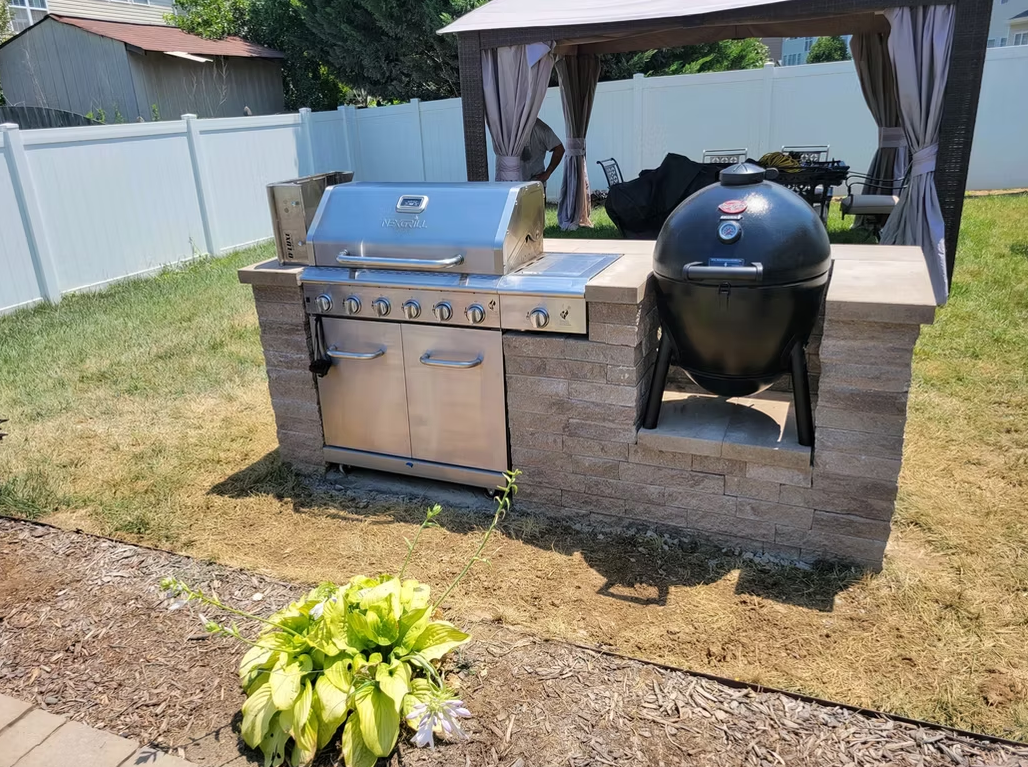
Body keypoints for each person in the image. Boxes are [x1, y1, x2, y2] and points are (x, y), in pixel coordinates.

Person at [520, 119, 565, 192]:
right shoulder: (508, 125)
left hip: (534, 182)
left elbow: (559, 149)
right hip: (512, 181)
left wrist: (547, 173)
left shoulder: (541, 128)